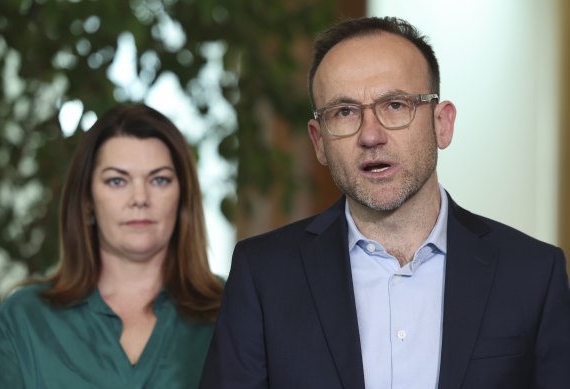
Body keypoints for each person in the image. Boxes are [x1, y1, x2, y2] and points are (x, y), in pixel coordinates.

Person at [199, 16, 570, 389]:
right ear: (318, 142)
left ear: (442, 124)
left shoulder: (533, 273)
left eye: (394, 105)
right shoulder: (263, 276)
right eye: (344, 112)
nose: (371, 135)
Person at [0, 103, 223, 388]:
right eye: (117, 181)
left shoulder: (233, 308)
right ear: (87, 201)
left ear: (183, 197)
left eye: (159, 179)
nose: (139, 197)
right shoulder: (25, 319)